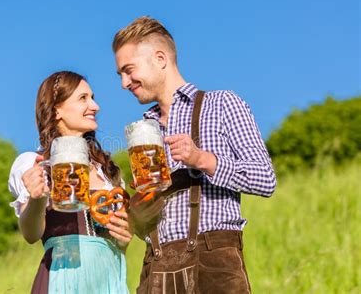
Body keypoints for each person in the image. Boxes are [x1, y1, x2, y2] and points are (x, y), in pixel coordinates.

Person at [113, 17, 277, 293]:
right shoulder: (142, 131)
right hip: (156, 266)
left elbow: (265, 179)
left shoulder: (222, 104)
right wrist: (138, 216)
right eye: (120, 75)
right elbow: (143, 227)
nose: (124, 83)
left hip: (214, 260)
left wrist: (202, 159)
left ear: (160, 58)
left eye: (128, 71)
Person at [8, 71, 131, 294]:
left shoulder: (108, 172)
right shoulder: (35, 163)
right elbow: (30, 233)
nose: (95, 106)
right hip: (64, 275)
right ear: (57, 110)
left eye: (92, 97)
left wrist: (123, 238)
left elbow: (120, 240)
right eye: (83, 98)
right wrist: (37, 199)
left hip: (108, 276)